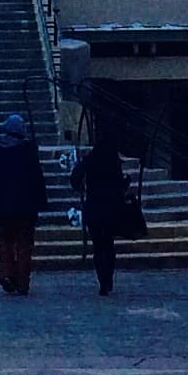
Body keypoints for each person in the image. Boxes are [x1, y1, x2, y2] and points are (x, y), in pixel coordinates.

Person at [0, 113, 48, 296]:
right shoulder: (28, 150)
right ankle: (22, 280)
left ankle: (6, 272)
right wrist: (40, 202)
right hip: (25, 207)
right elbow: (37, 178)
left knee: (5, 241)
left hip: (4, 205)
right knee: (24, 244)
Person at [70, 121, 126, 296]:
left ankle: (103, 279)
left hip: (94, 206)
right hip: (111, 206)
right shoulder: (113, 160)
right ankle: (107, 278)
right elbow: (120, 184)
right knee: (108, 244)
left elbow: (75, 180)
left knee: (98, 246)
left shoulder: (89, 160)